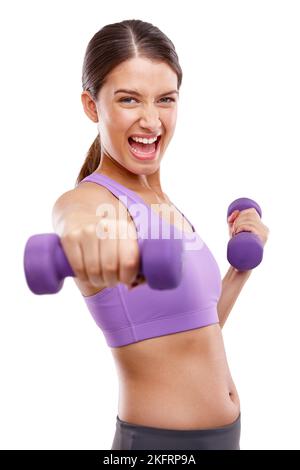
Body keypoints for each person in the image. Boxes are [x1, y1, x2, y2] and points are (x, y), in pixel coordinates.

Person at [52, 19, 269, 450]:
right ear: (92, 106)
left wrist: (239, 271)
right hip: (156, 446)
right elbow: (74, 220)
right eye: (129, 99)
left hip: (223, 438)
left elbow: (193, 331)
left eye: (165, 100)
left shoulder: (161, 201)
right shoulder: (93, 201)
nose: (151, 120)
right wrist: (94, 243)